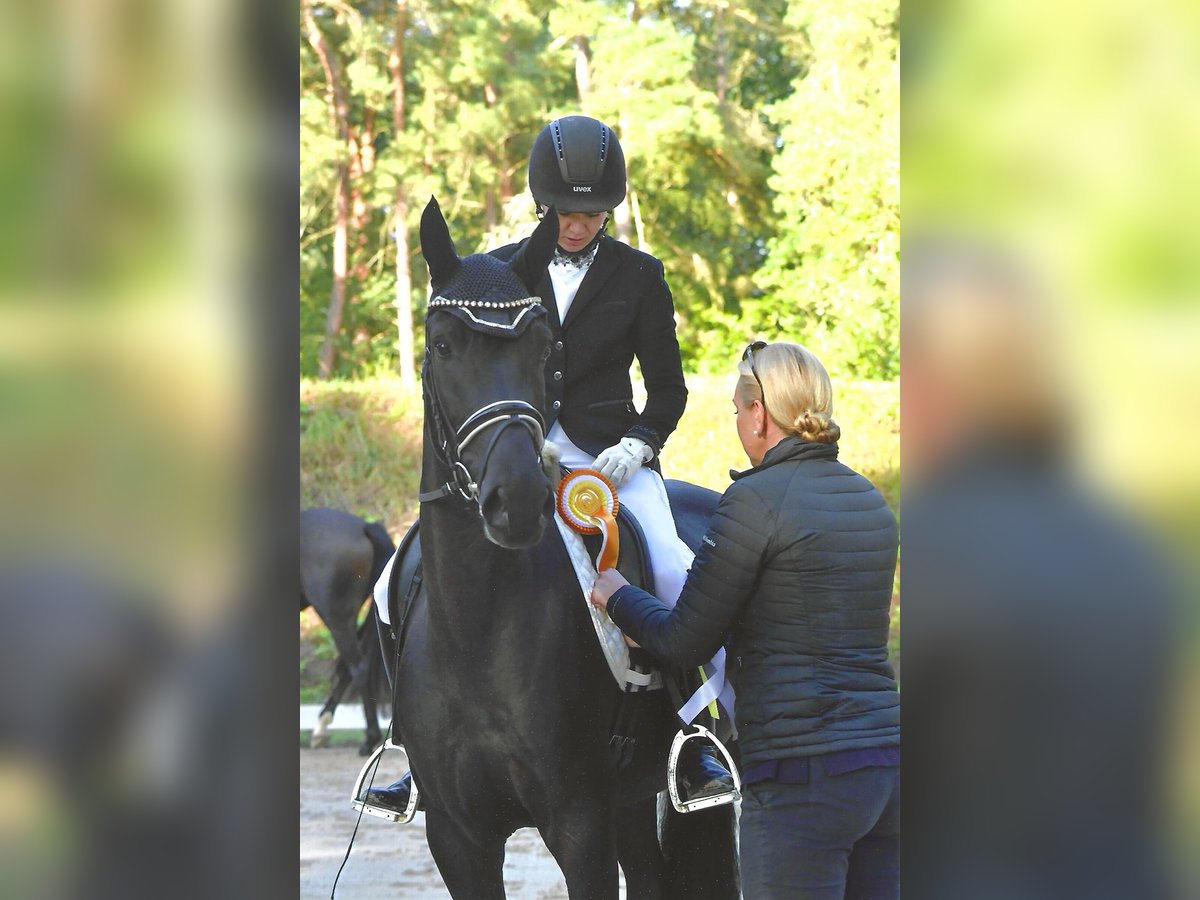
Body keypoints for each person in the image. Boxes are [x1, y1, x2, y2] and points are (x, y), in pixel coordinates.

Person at [364, 114, 733, 816]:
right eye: (568, 213)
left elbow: (669, 389)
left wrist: (640, 443)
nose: (579, 226)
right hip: (514, 454)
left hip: (608, 462)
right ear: (544, 203)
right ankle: (412, 746)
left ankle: (694, 737)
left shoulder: (640, 275)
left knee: (679, 568)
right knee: (391, 585)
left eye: (594, 215)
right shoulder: (498, 270)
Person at [590, 341, 901, 899]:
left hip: (801, 774)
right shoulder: (870, 501)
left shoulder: (753, 502)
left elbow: (683, 639)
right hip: (885, 771)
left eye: (737, 410)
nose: (737, 422)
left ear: (759, 413)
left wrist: (618, 596)